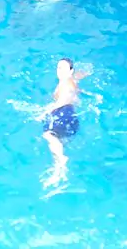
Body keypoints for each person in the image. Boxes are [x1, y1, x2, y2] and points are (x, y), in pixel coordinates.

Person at [41, 58, 85, 186]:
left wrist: (44, 112)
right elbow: (79, 75)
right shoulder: (72, 79)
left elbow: (64, 100)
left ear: (70, 71)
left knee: (48, 135)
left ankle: (61, 162)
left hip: (64, 113)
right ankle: (58, 170)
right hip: (71, 116)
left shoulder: (65, 84)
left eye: (63, 68)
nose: (59, 71)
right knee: (58, 142)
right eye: (58, 67)